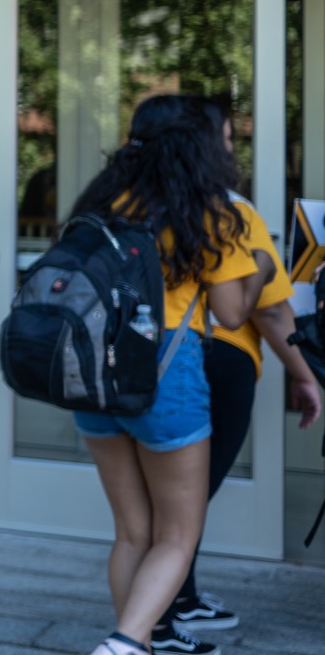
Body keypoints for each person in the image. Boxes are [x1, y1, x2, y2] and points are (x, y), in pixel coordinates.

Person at [67, 95, 266, 655]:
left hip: (97, 374)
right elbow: (231, 313)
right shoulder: (206, 210)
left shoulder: (104, 200)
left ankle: (141, 645)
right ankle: (126, 643)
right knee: (177, 534)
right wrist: (263, 271)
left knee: (133, 531)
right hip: (166, 373)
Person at [158, 99, 323, 650]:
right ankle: (165, 619)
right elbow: (269, 310)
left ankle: (177, 601)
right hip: (217, 359)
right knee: (189, 497)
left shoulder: (132, 203)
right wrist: (303, 375)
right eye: (227, 137)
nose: (231, 148)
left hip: (143, 357)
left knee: (164, 500)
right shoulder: (230, 210)